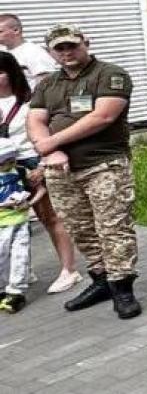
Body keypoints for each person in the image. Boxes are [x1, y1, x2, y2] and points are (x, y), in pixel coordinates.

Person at [26, 24, 141, 319]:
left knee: (113, 227)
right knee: (81, 229)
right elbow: (35, 120)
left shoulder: (109, 74)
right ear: (51, 52)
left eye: (71, 46)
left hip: (104, 165)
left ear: (85, 43)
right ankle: (101, 279)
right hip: (61, 170)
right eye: (59, 48)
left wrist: (51, 142)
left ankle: (122, 287)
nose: (67, 53)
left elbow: (103, 116)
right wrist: (49, 150)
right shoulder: (47, 84)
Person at [0, 36, 79, 295]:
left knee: (49, 217)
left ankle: (69, 269)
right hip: (4, 170)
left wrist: (43, 167)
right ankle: (22, 269)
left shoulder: (31, 101)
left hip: (32, 163)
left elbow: (48, 134)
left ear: (12, 73)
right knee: (12, 220)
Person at [0, 138, 38, 313]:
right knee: (2, 258)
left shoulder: (21, 172)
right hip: (2, 224)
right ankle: (2, 289)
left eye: (11, 161)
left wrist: (29, 203)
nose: (8, 165)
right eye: (3, 163)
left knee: (19, 256)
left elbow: (41, 190)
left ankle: (16, 292)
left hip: (20, 222)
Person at [0, 14, 58, 87]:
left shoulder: (34, 52)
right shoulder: (3, 52)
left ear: (16, 30)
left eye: (0, 31)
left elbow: (46, 84)